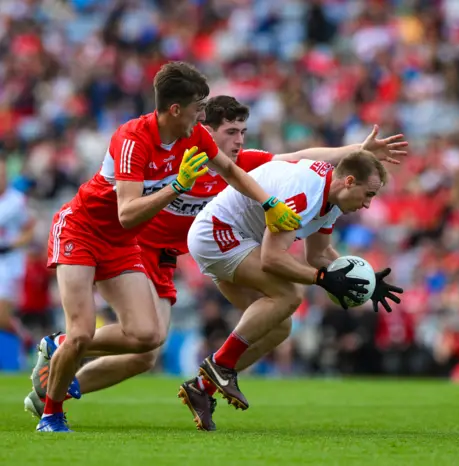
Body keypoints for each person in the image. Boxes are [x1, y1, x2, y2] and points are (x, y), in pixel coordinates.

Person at [25, 95, 407, 431]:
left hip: (168, 255)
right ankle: (65, 348)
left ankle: (53, 389)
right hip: (134, 245)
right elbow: (125, 194)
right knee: (147, 339)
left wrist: (357, 149)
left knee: (155, 353)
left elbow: (300, 159)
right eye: (231, 132)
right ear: (203, 130)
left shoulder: (242, 169)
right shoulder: (177, 157)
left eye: (243, 131)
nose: (240, 140)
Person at [35, 63, 302, 433]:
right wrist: (177, 186)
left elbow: (233, 171)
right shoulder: (133, 138)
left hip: (122, 243)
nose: (202, 116)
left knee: (148, 337)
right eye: (197, 108)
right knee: (82, 332)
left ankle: (60, 347)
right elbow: (127, 214)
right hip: (81, 231)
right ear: (175, 109)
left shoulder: (194, 137)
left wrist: (270, 203)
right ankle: (51, 413)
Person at [182, 150, 403, 428]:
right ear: (348, 181)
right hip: (217, 234)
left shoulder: (330, 199)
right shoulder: (305, 194)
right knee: (290, 295)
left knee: (280, 326)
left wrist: (367, 280)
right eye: (368, 194)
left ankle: (201, 388)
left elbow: (318, 255)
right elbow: (272, 258)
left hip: (236, 238)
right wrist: (323, 279)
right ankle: (220, 364)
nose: (368, 205)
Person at [0, 158, 35, 371]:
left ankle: (28, 341)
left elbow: (29, 229)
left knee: (2, 317)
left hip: (8, 264)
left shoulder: (16, 201)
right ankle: (27, 344)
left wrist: (13, 244)